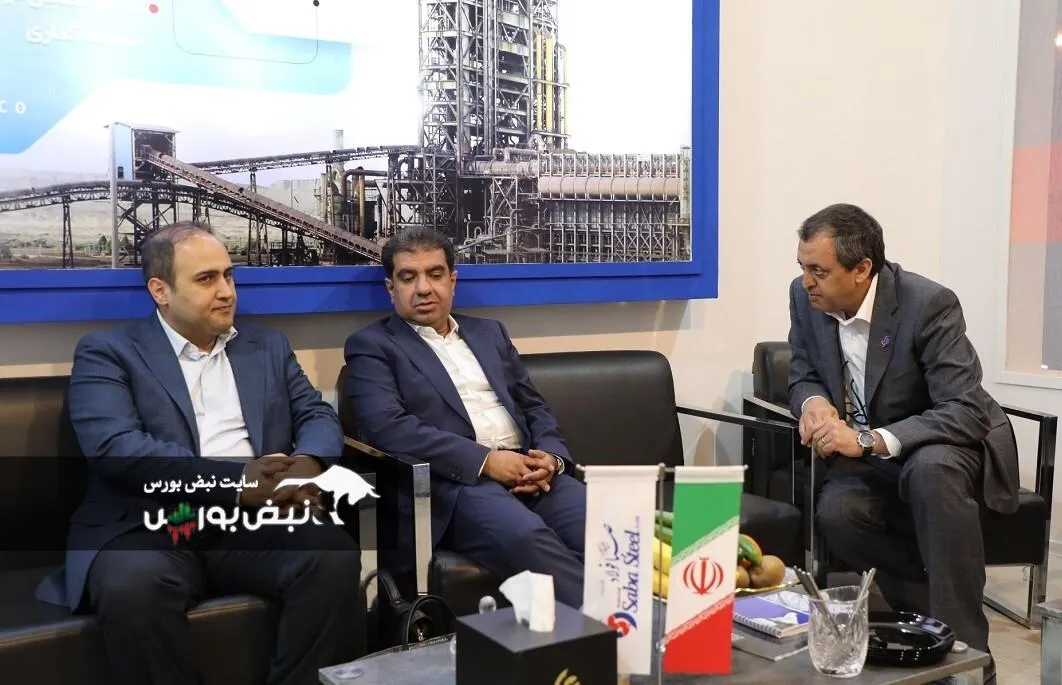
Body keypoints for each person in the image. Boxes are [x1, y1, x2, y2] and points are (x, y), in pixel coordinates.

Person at [35, 221, 361, 685]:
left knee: (331, 553)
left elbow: (318, 415)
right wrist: (238, 484)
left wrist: (306, 466)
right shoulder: (107, 352)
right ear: (160, 291)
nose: (226, 291)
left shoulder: (266, 346)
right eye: (206, 279)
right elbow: (118, 450)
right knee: (134, 588)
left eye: (228, 275)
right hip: (150, 521)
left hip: (252, 521)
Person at [787, 203, 1015, 683]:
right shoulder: (805, 299)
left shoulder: (928, 303)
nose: (806, 281)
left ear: (862, 269)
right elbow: (803, 369)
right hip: (867, 453)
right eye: (803, 268)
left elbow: (963, 408)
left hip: (940, 436)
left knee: (931, 472)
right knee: (839, 514)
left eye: (818, 271)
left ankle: (968, 661)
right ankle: (936, 626)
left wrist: (867, 439)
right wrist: (813, 402)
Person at [343, 227, 586, 608]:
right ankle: (618, 631)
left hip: (530, 471)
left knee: (606, 527)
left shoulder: (490, 333)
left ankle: (652, 624)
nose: (424, 288)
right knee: (526, 537)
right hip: (458, 486)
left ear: (452, 281)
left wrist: (552, 459)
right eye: (408, 277)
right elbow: (389, 428)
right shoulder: (372, 346)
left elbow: (534, 406)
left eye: (435, 274)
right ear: (391, 288)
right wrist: (486, 461)